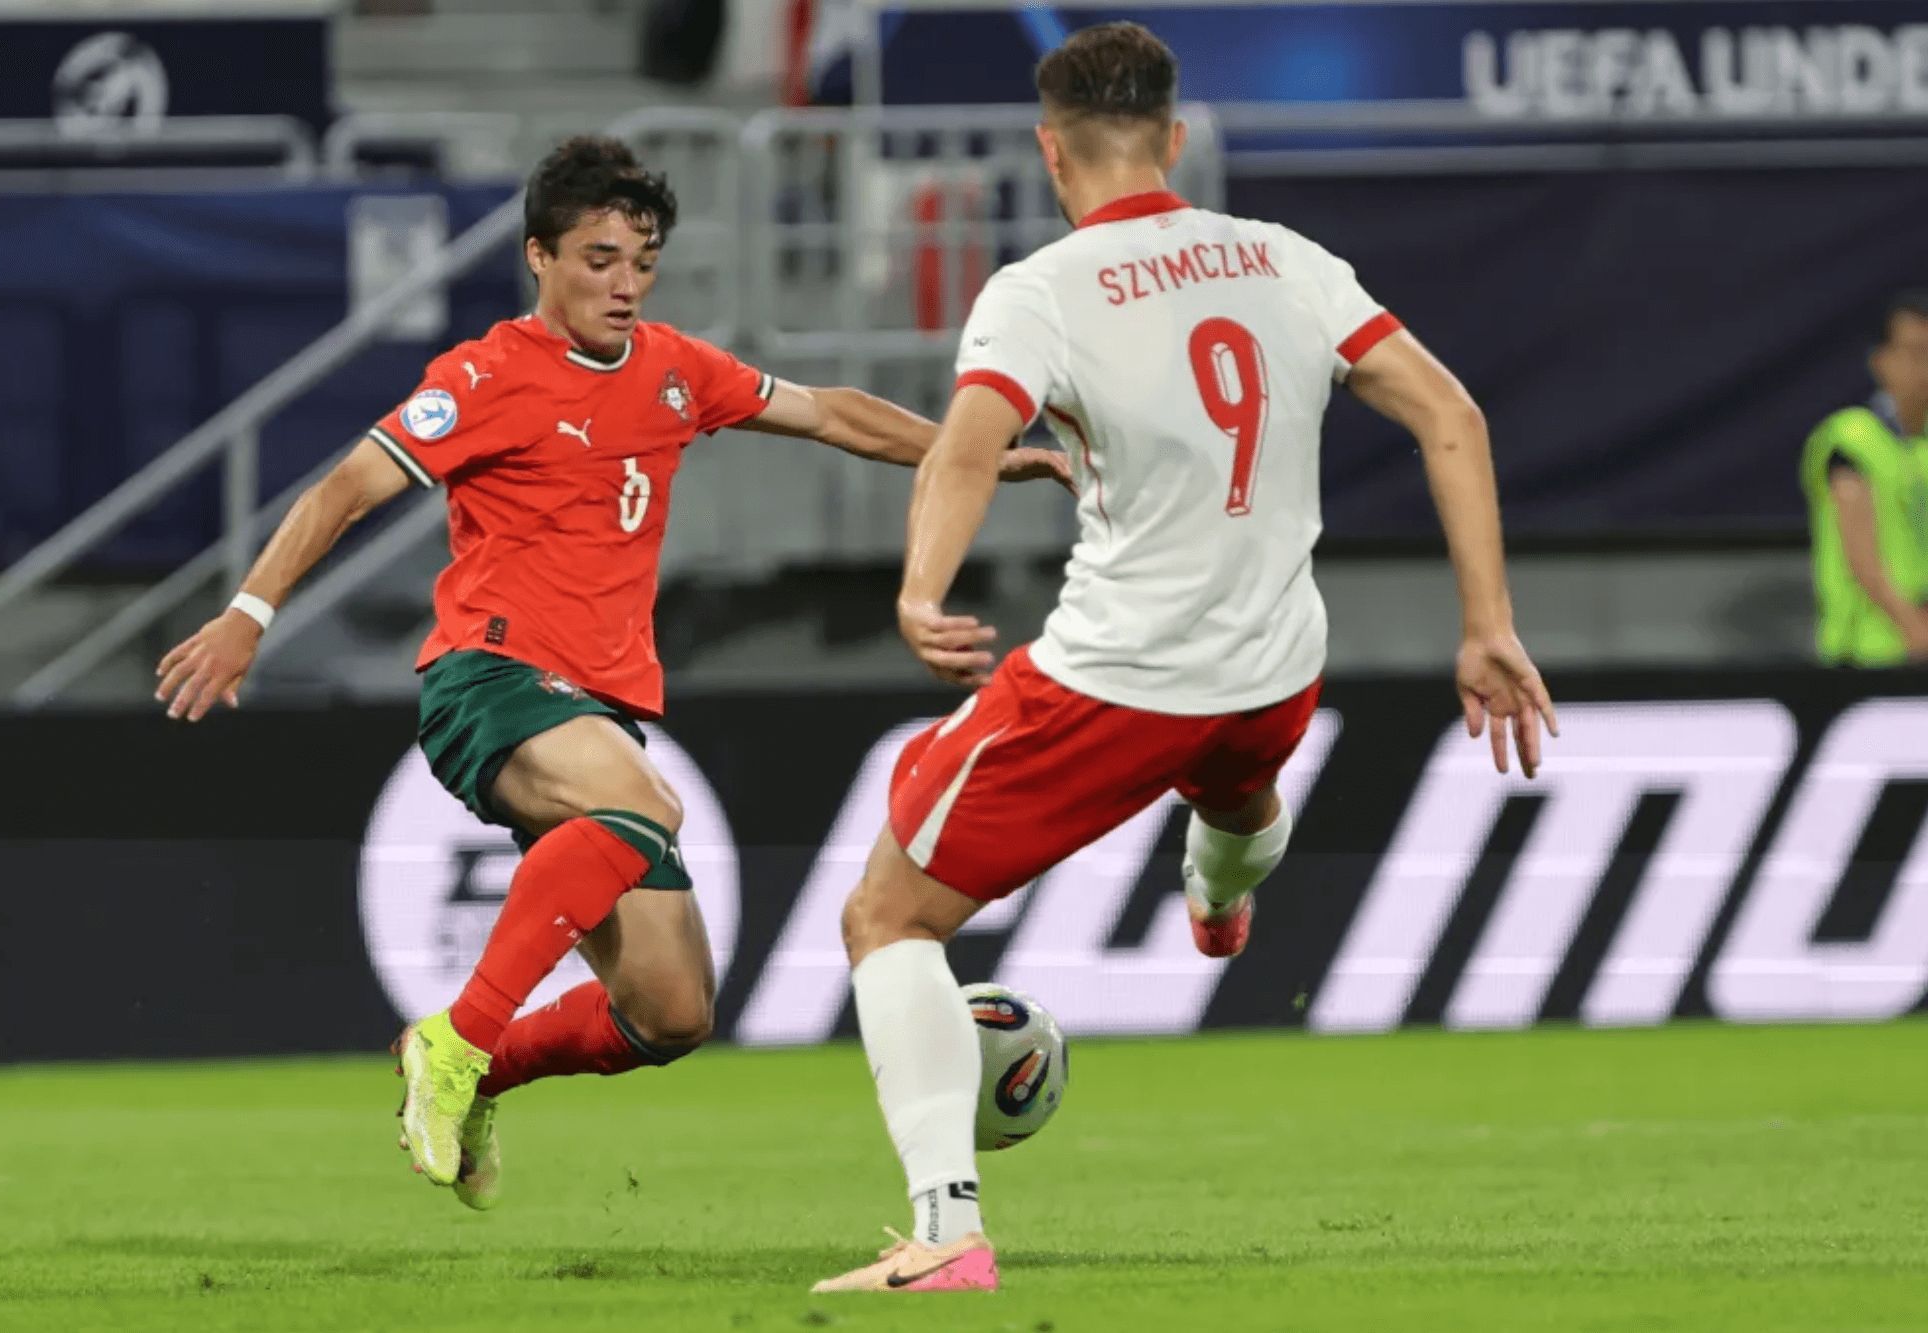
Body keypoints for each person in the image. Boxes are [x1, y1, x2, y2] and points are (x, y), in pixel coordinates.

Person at [153, 136, 1070, 1209]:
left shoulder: (674, 371)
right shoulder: (483, 377)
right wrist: (248, 615)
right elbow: (343, 490)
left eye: (641, 262)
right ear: (538, 257)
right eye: (598, 260)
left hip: (597, 710)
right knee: (645, 806)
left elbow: (826, 411)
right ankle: (458, 1040)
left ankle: (477, 1069)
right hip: (489, 680)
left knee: (672, 1011)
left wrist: (968, 451)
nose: (624, 284)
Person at [809, 23, 1556, 1294]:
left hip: (1118, 681)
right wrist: (1486, 625)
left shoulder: (1041, 289)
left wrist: (920, 588)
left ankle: (946, 1233)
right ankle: (1216, 895)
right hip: (1274, 674)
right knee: (1237, 791)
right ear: (1171, 136)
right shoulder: (1287, 260)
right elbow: (1450, 413)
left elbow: (967, 443)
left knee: (885, 915)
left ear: (1050, 153)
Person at [1801, 291, 1928, 666]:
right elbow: (1862, 559)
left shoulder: (1921, 448)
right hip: (1864, 655)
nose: (1925, 368)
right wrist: (1915, 630)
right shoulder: (1853, 438)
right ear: (1881, 360)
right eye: (1915, 352)